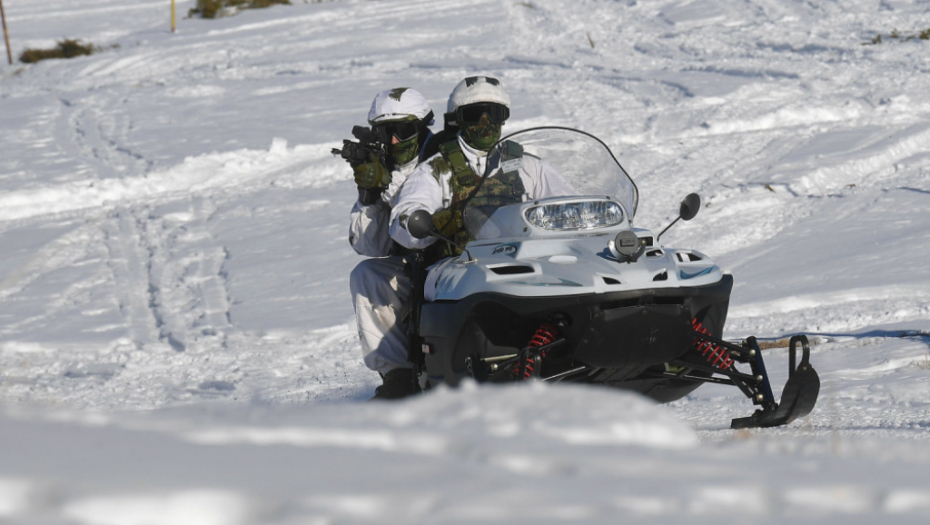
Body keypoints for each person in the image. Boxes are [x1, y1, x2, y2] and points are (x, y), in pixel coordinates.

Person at [390, 76, 574, 257]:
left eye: (494, 114)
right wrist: (436, 222)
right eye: (474, 115)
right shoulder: (435, 170)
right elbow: (404, 219)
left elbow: (568, 204)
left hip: (524, 260)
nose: (485, 123)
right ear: (459, 119)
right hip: (457, 267)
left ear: (503, 118)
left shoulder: (529, 166)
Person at [347, 87, 434, 399]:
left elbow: (425, 219)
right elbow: (370, 246)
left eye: (404, 130)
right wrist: (368, 196)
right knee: (367, 275)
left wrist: (387, 186)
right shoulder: (384, 168)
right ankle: (399, 376)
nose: (395, 141)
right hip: (417, 270)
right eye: (386, 132)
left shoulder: (445, 158)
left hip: (457, 260)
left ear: (423, 127)